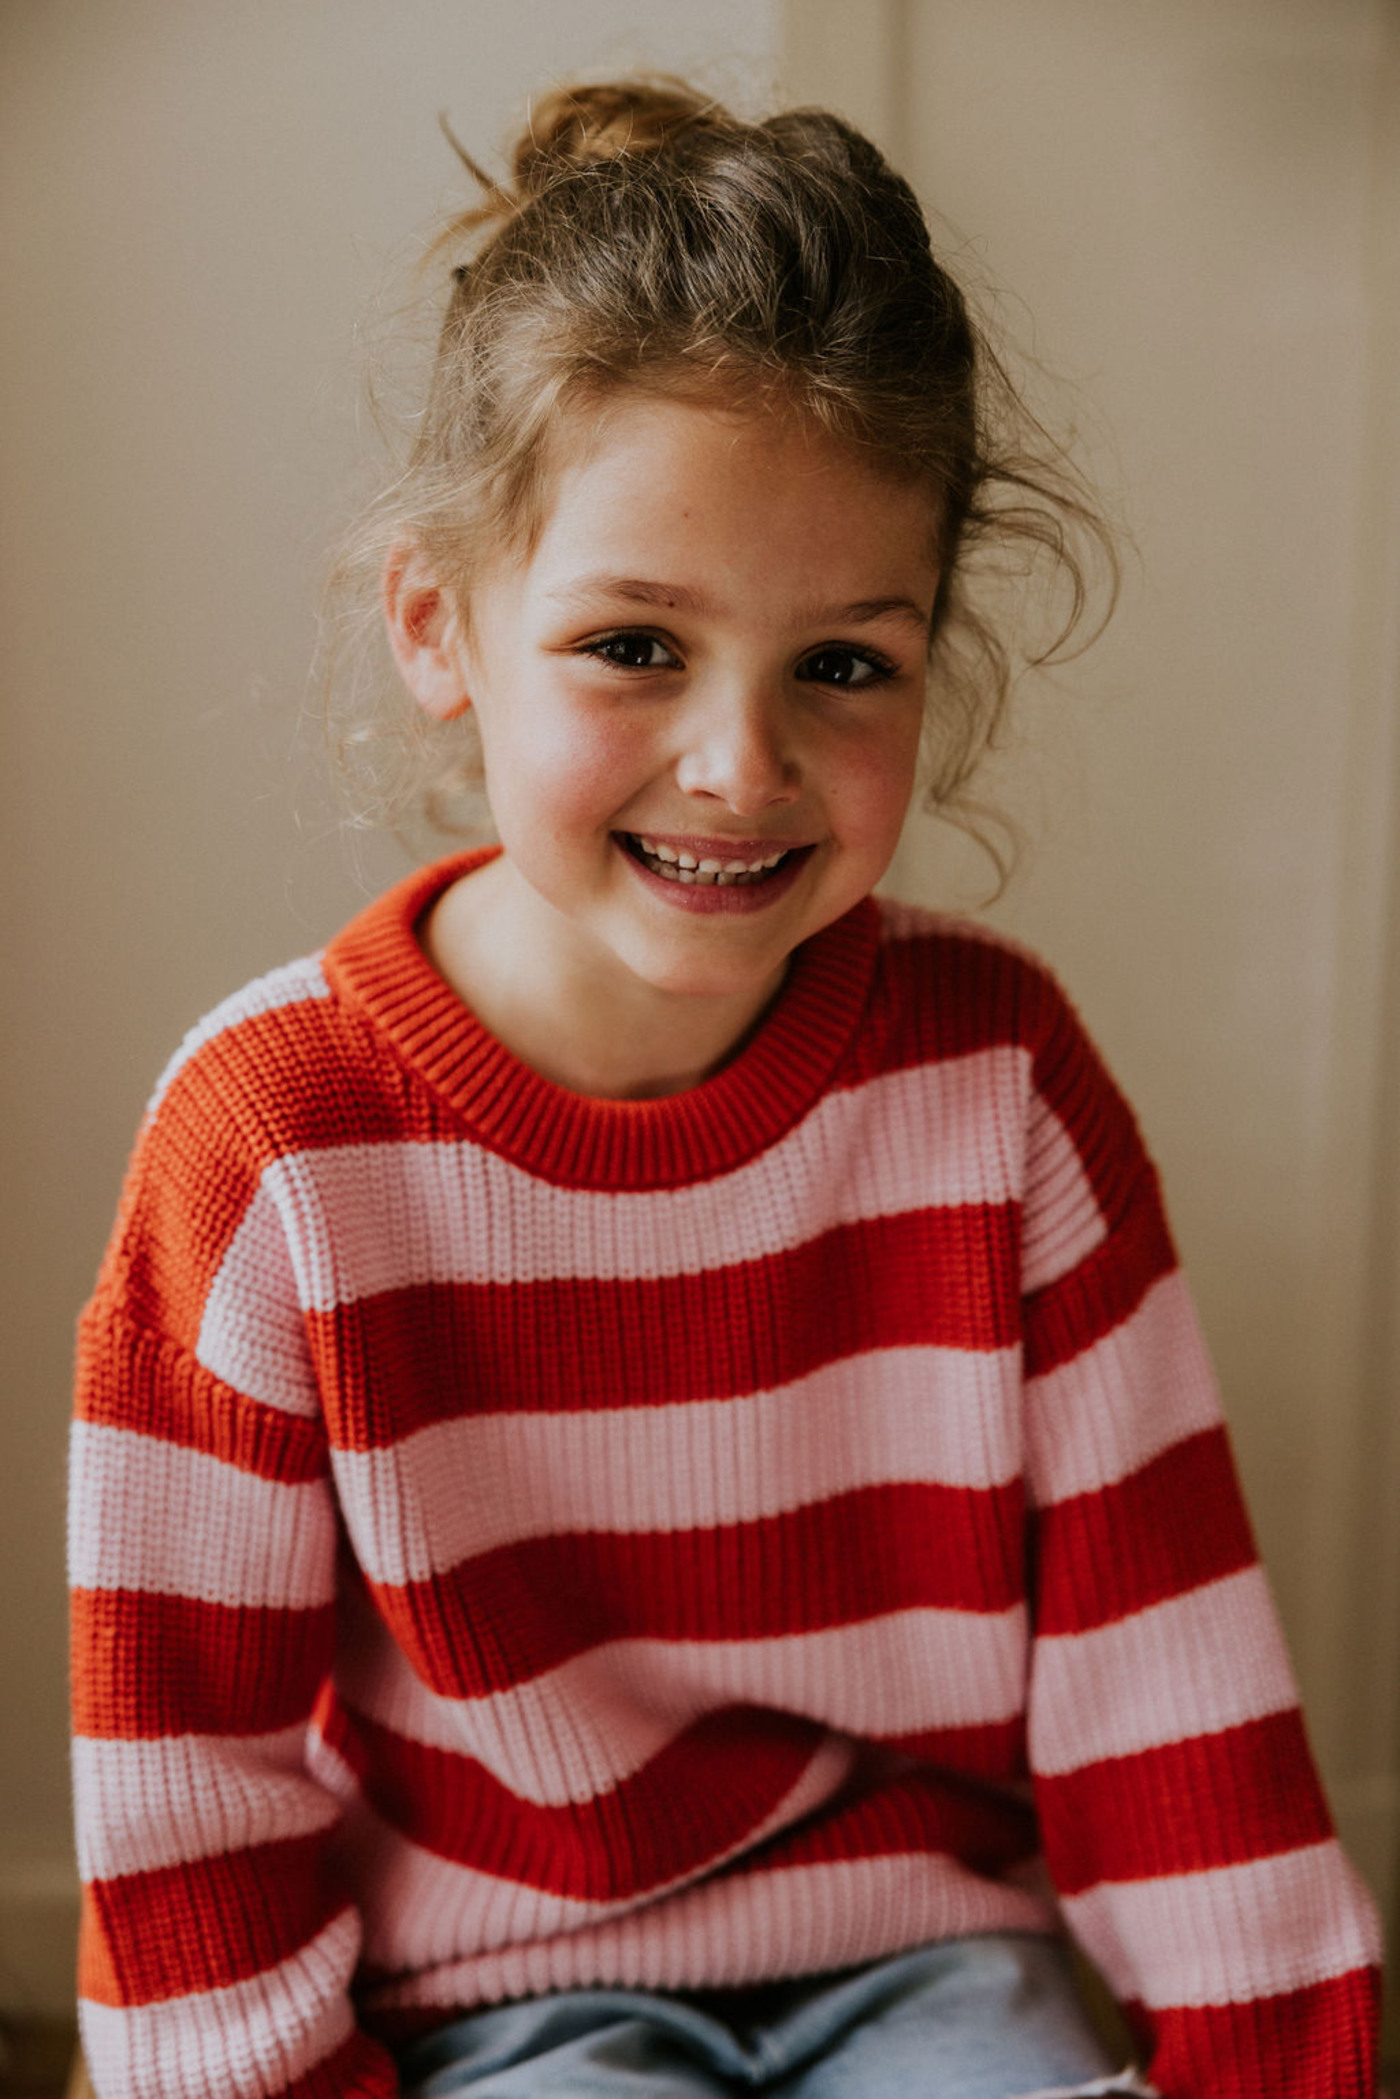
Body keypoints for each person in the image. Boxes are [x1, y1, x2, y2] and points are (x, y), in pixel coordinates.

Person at [68, 77, 1382, 2099]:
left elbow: (1169, 1674)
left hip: (927, 1956)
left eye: (843, 665)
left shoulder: (1000, 1080)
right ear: (438, 627)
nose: (740, 767)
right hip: (492, 1993)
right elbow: (189, 1800)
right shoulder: (273, 1150)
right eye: (632, 645)